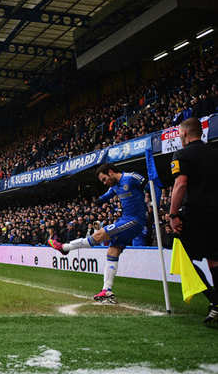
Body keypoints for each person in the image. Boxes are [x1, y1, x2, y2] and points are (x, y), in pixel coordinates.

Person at [49, 163, 148, 304]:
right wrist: (96, 201)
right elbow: (106, 196)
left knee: (99, 235)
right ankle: (107, 290)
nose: (105, 182)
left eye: (104, 179)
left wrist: (155, 199)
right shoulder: (114, 186)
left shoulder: (131, 177)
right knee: (112, 251)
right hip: (127, 219)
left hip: (135, 220)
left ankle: (65, 248)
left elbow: (150, 184)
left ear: (111, 172)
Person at [168, 117, 218, 325]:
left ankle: (214, 299)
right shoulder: (215, 152)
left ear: (185, 134)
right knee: (214, 259)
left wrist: (173, 214)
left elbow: (180, 183)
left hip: (195, 214)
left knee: (182, 257)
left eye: (179, 134)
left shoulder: (182, 154)